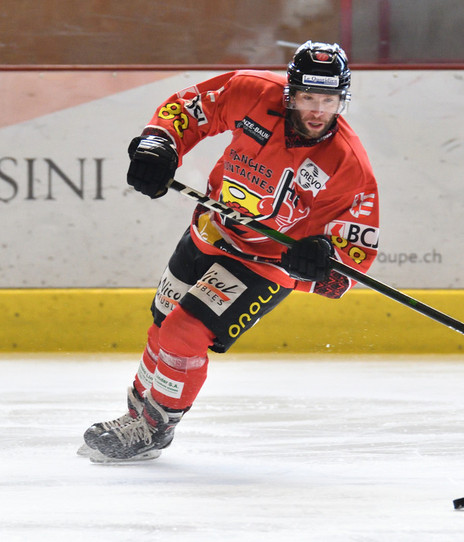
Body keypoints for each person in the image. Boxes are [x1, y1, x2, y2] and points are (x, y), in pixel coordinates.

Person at [79, 41, 380, 462]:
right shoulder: (252, 92)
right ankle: (137, 415)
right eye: (308, 97)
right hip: (212, 229)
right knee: (162, 323)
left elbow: (351, 257)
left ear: (342, 99)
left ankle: (154, 428)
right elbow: (188, 111)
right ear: (291, 92)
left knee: (183, 333)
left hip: (266, 263)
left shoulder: (347, 163)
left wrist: (320, 259)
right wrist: (159, 146)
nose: (316, 111)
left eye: (328, 100)